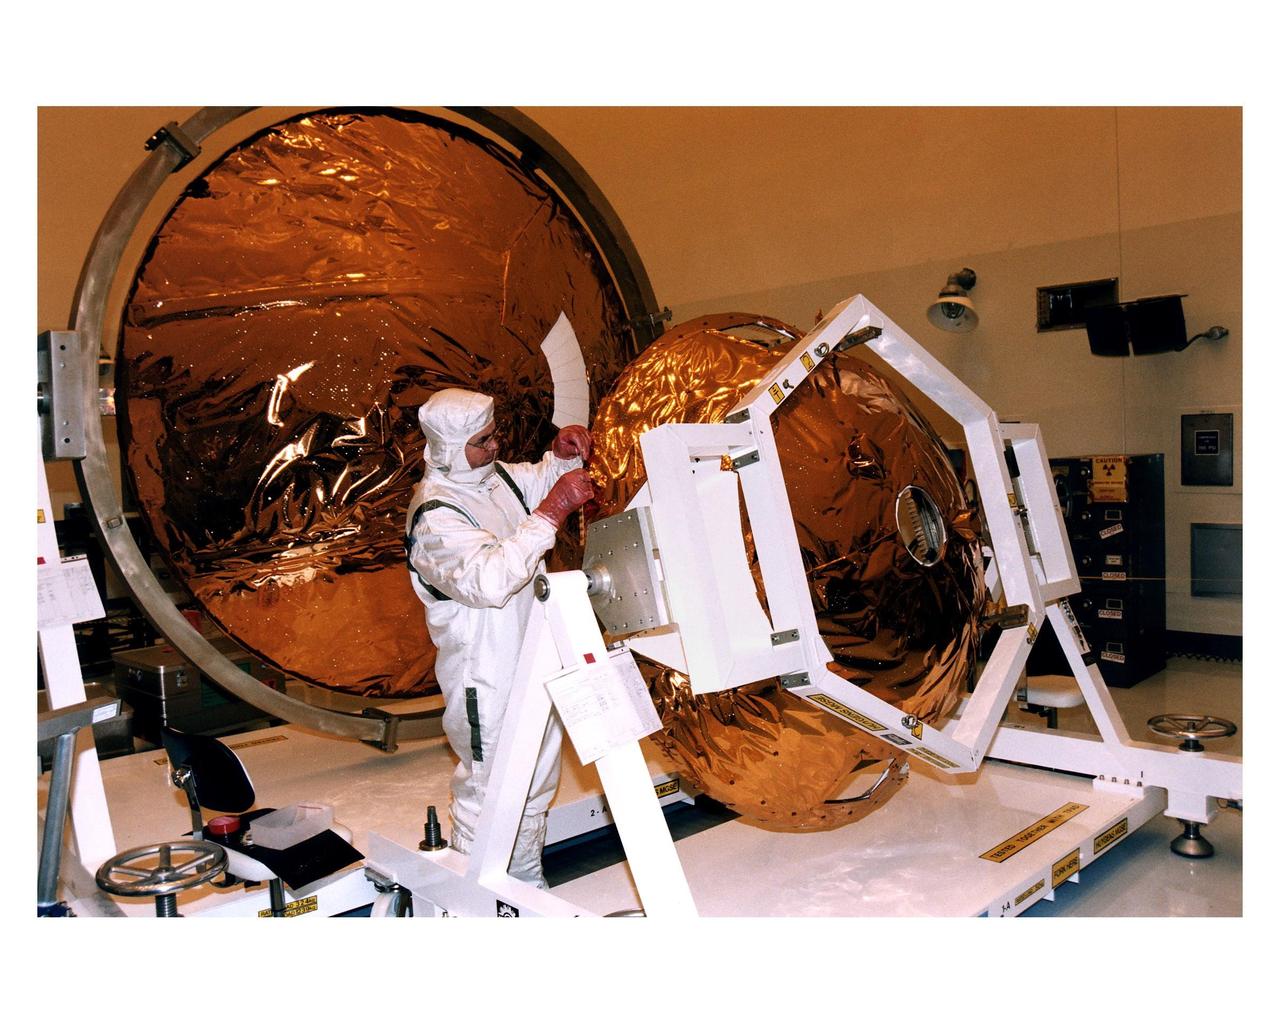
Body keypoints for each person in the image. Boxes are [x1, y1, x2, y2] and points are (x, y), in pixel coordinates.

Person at [405, 387, 594, 886]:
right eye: (482, 441)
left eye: (493, 436)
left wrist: (559, 457)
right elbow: (489, 580)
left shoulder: (494, 478)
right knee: (491, 788)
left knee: (534, 780)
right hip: (484, 675)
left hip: (531, 655)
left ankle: (525, 886)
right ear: (449, 446)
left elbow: (531, 484)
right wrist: (552, 514)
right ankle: (477, 900)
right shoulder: (435, 516)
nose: (494, 447)